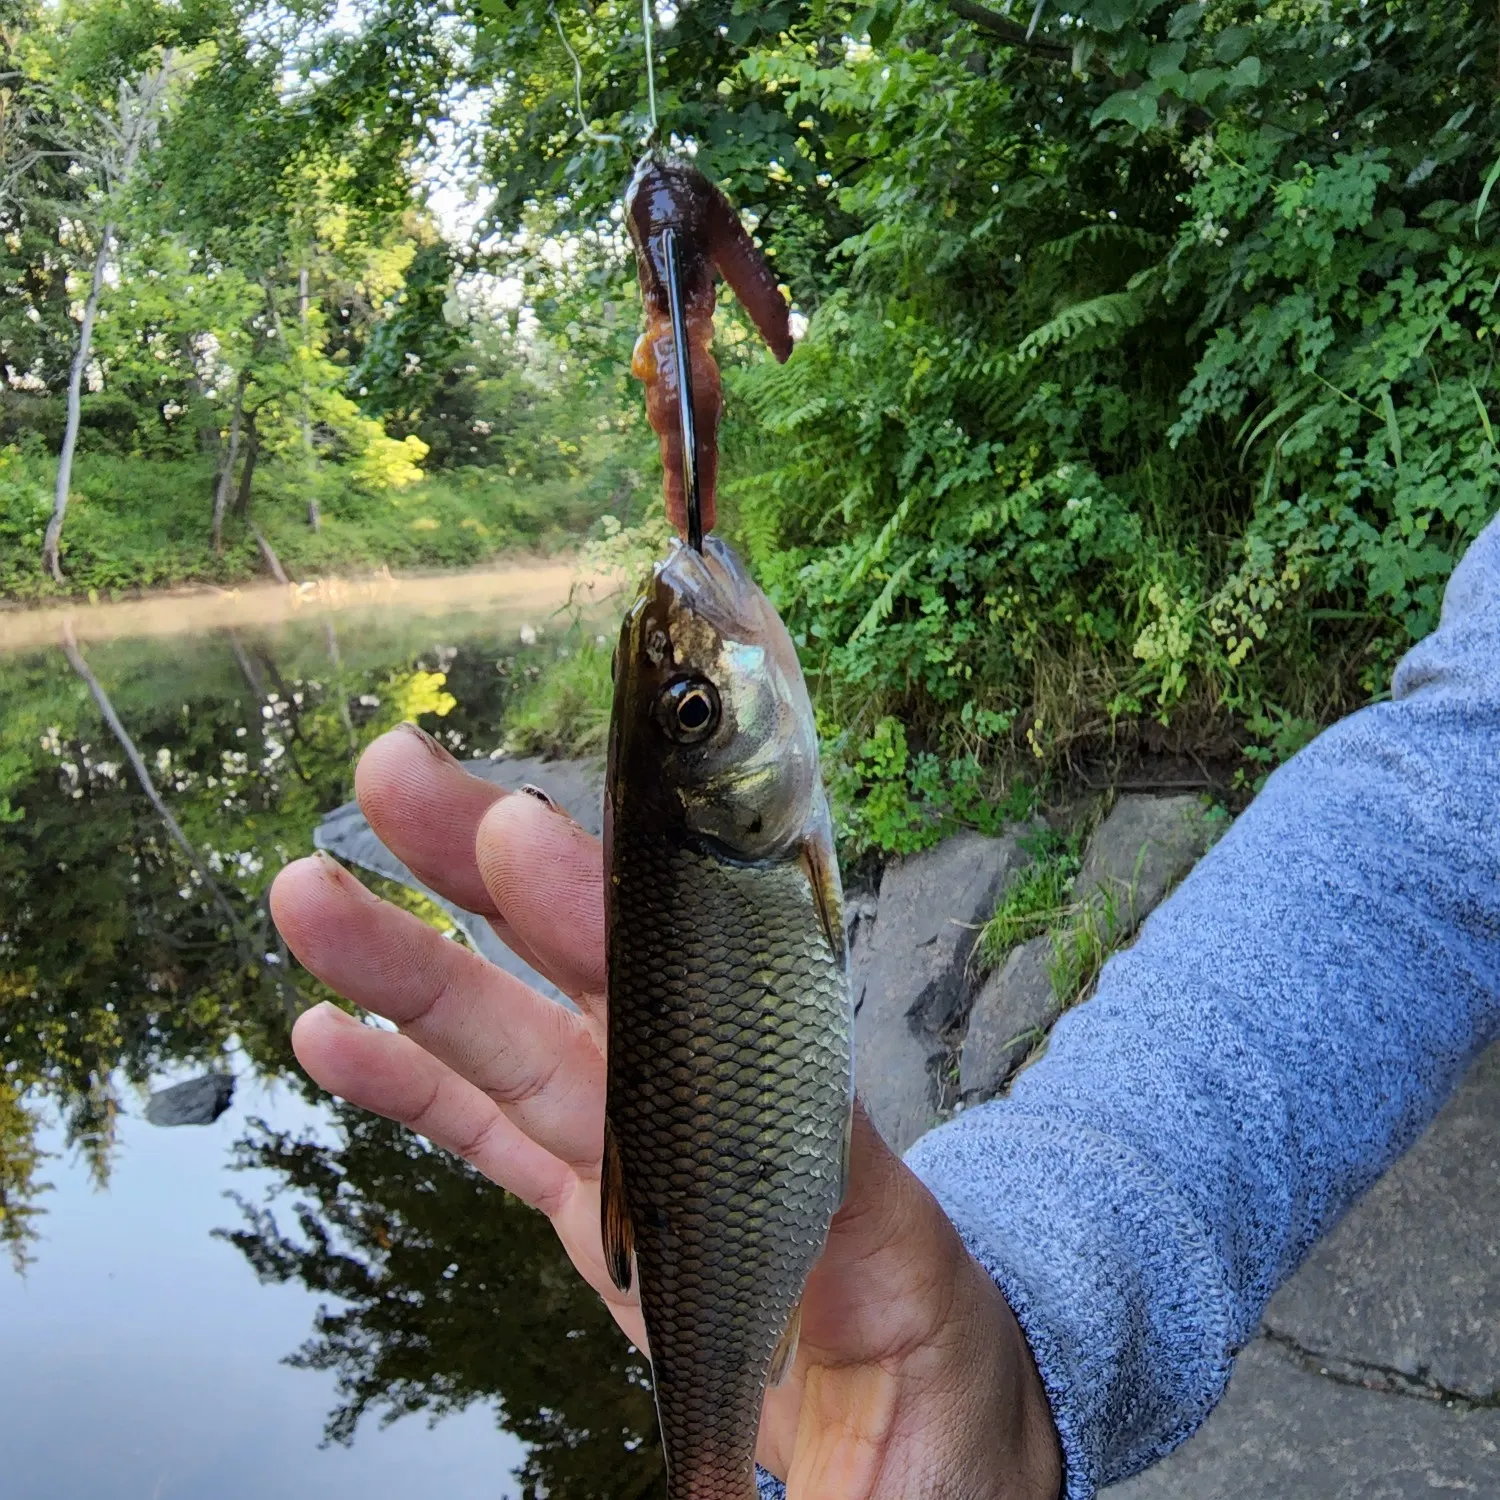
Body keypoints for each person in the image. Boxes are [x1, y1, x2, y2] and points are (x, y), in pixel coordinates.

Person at [269, 511, 1500, 1500]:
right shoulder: (755, 847)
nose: (705, 682)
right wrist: (999, 1357)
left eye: (690, 713)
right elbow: (1451, 781)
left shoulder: (759, 841)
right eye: (695, 713)